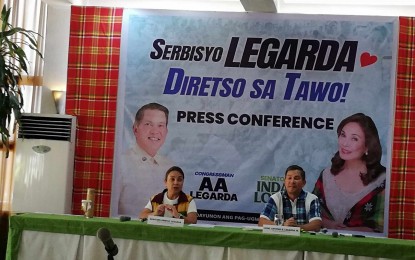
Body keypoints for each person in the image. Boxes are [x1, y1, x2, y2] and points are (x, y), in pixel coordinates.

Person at [313, 113, 386, 232]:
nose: (345, 144)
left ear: (367, 146)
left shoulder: (383, 180)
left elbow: (381, 226)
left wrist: (345, 232)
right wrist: (329, 224)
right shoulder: (326, 175)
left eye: (354, 138)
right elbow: (310, 211)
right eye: (343, 135)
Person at [111, 102, 175, 217]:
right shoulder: (119, 164)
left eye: (160, 125)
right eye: (148, 124)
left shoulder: (169, 166)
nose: (155, 131)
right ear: (135, 129)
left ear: (166, 131)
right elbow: (110, 211)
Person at [258, 165, 322, 232]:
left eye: (296, 178)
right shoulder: (276, 198)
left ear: (304, 183)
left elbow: (316, 225)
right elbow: (262, 222)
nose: (292, 182)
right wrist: (283, 225)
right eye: (289, 178)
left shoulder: (312, 199)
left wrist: (297, 228)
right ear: (284, 181)